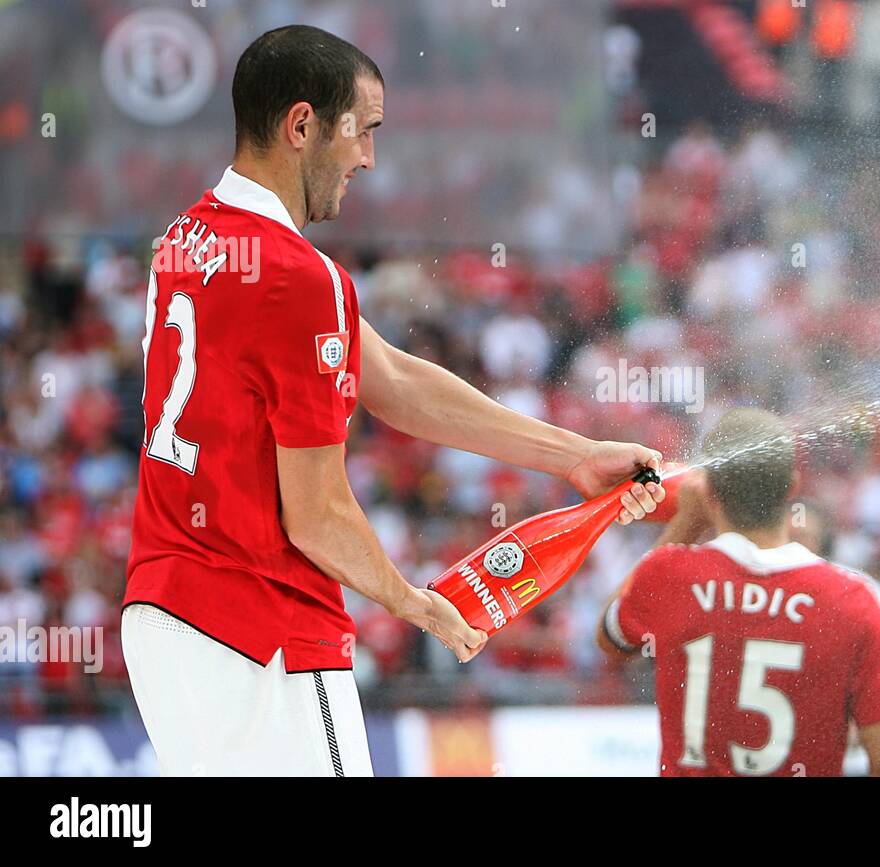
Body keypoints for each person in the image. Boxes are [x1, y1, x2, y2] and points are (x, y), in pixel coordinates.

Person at [122, 25, 664, 777]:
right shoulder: (296, 277)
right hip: (261, 628)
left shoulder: (185, 241)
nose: (369, 159)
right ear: (302, 125)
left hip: (164, 618)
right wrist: (417, 604)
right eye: (363, 132)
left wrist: (576, 455)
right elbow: (315, 514)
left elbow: (398, 384)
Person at [597, 409, 880, 776]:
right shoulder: (850, 600)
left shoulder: (668, 575)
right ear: (793, 487)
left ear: (709, 491)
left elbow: (609, 637)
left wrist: (686, 522)